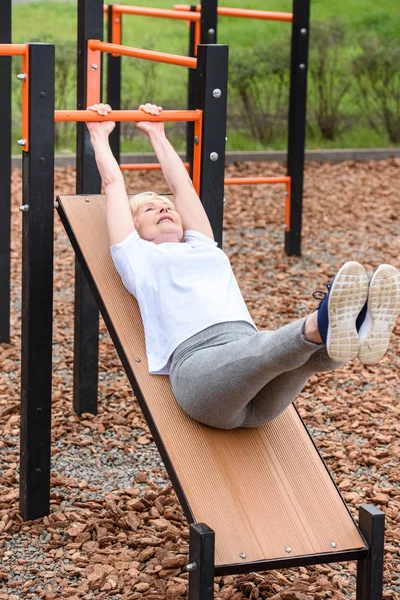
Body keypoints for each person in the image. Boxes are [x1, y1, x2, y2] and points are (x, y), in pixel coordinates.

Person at [86, 102, 400, 430]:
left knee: (308, 361)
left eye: (167, 207)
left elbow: (182, 187)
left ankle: (356, 325)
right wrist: (98, 134)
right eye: (150, 209)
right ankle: (327, 318)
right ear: (136, 228)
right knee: (268, 348)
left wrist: (157, 134)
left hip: (260, 396)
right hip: (200, 373)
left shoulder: (201, 245)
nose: (164, 208)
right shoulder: (136, 255)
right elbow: (113, 184)